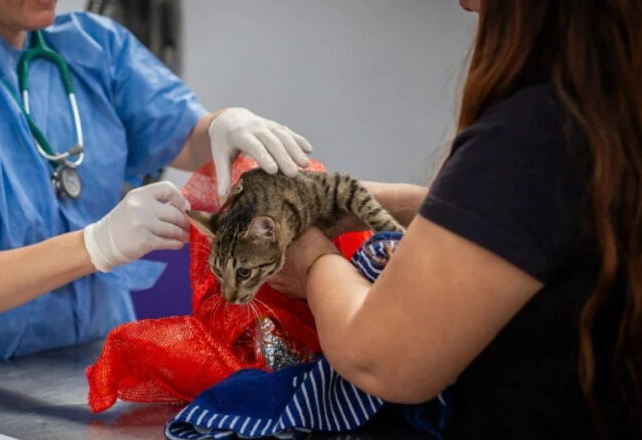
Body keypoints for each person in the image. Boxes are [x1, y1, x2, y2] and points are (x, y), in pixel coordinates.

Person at [0, 0, 312, 376]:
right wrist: (92, 245)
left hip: (96, 364)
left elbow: (182, 134)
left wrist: (225, 126)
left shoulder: (91, 47)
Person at [270, 0, 641, 438]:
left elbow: (382, 360)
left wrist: (310, 257)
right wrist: (356, 203)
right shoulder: (607, 111)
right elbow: (540, 224)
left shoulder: (534, 137)